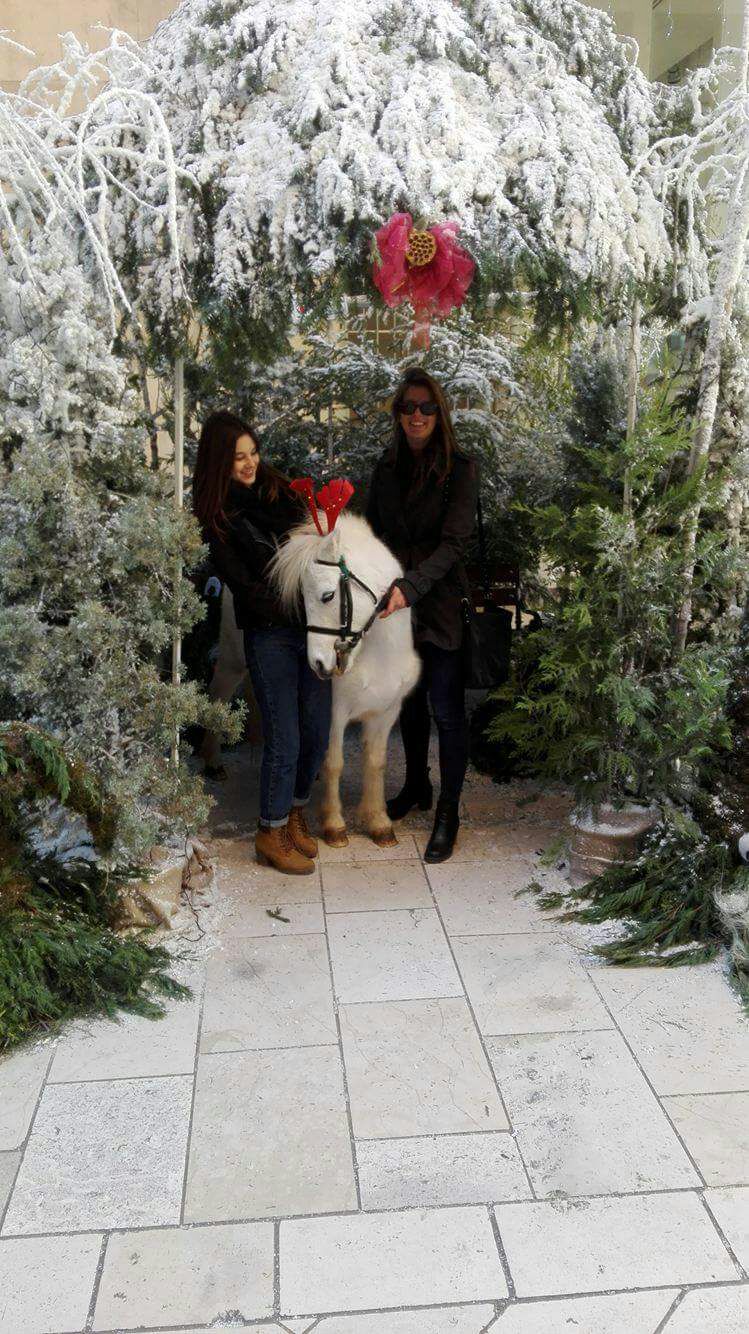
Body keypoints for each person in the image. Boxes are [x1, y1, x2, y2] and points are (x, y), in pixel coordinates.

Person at [192, 410, 331, 875]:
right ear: (220, 461)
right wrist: (293, 604)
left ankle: (294, 812)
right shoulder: (217, 517)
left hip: (311, 626)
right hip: (270, 632)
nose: (250, 463)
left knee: (316, 729)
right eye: (238, 457)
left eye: (253, 452)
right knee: (285, 736)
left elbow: (316, 546)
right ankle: (270, 831)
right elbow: (245, 585)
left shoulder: (281, 491)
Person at [366, 369, 478, 863]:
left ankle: (448, 811)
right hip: (395, 605)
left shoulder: (460, 469)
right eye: (408, 407)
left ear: (439, 413)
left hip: (440, 604)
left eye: (426, 407)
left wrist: (409, 588)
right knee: (407, 702)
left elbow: (454, 544)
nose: (417, 415)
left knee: (446, 711)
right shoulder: (386, 469)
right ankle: (416, 785)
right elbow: (375, 534)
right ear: (398, 414)